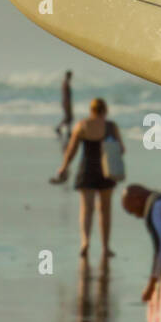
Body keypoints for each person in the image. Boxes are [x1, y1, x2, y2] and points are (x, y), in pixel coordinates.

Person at [52, 97, 124, 258]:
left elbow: (71, 150)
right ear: (105, 110)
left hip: (87, 170)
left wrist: (63, 167)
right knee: (105, 210)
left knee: (87, 209)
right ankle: (105, 247)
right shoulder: (111, 127)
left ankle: (85, 241)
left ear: (91, 110)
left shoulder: (82, 125)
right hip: (107, 172)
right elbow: (121, 149)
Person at [55, 70, 74, 138]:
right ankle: (60, 128)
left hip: (66, 102)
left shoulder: (66, 83)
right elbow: (66, 95)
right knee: (69, 117)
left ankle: (67, 130)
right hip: (66, 102)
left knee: (69, 117)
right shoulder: (66, 83)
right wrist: (68, 103)